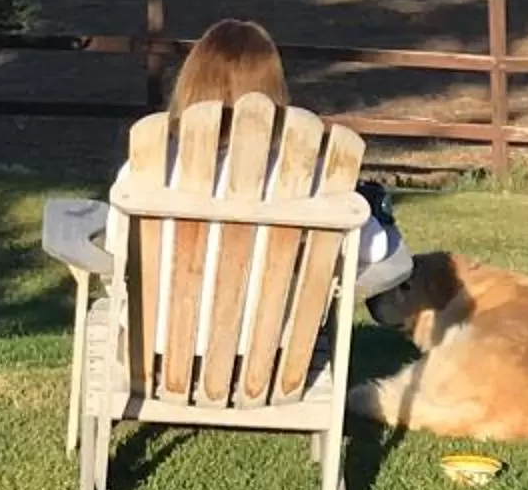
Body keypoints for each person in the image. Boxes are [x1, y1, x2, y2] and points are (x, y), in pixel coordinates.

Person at [40, 16, 409, 294]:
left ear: (192, 81)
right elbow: (379, 252)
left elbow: (119, 245)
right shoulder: (306, 174)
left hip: (156, 357)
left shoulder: (152, 162)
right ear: (274, 87)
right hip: (273, 367)